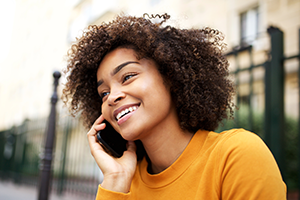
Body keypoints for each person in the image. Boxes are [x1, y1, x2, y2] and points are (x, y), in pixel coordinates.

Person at [62, 13, 286, 199]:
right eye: (104, 93)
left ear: (170, 76)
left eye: (128, 76)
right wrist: (115, 180)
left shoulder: (236, 156)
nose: (112, 97)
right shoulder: (123, 183)